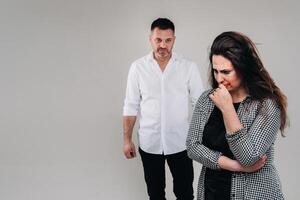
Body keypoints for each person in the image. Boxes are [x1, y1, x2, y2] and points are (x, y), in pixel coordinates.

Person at [186, 31, 288, 200]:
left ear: (243, 68)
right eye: (216, 71)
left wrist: (227, 109)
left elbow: (249, 157)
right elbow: (192, 146)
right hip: (212, 192)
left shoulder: (267, 104)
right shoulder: (207, 99)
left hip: (254, 195)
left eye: (226, 72)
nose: (219, 79)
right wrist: (235, 166)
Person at [123, 18, 203, 200]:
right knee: (155, 193)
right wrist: (127, 139)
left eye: (168, 40)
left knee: (185, 193)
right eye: (158, 40)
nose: (163, 45)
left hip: (181, 143)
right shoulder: (137, 68)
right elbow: (131, 104)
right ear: (150, 39)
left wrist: (200, 137)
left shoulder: (188, 67)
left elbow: (200, 103)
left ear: (174, 39)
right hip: (149, 142)